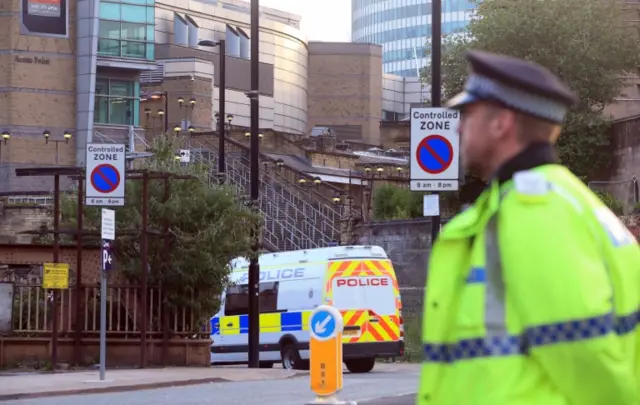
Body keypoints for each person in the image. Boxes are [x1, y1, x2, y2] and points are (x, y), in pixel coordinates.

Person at [418, 50, 640, 405]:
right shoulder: (550, 201)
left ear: (501, 123)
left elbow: (584, 357)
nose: (458, 126)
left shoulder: (535, 211)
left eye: (468, 113)